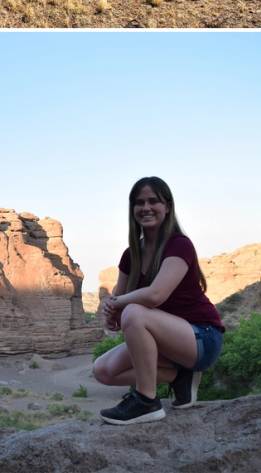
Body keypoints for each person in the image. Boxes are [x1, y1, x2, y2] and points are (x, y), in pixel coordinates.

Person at [92, 177, 224, 426]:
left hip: (201, 338)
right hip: (167, 345)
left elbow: (155, 295)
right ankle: (179, 377)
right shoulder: (131, 255)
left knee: (134, 311)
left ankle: (146, 401)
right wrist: (113, 314)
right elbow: (123, 313)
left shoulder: (179, 245)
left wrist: (120, 304)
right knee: (103, 370)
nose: (146, 208)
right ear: (132, 209)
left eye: (154, 201)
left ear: (168, 207)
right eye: (139, 202)